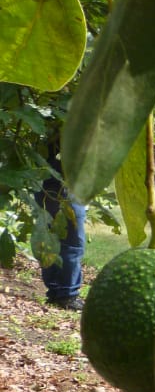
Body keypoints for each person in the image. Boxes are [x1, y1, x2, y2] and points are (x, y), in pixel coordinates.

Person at [36, 132, 87, 311]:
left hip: (44, 187)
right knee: (73, 244)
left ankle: (56, 292)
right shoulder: (74, 125)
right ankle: (67, 295)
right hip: (63, 189)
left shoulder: (48, 125)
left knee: (50, 241)